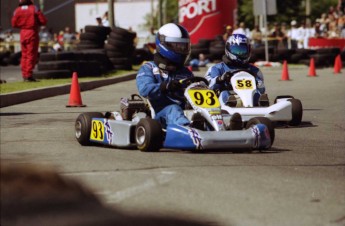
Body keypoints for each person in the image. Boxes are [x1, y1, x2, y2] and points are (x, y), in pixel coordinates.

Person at [136, 23, 193, 128]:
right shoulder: (149, 68)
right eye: (177, 46)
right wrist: (164, 86)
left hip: (184, 110)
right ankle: (188, 131)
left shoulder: (184, 71)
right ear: (163, 45)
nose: (181, 49)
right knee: (173, 109)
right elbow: (144, 89)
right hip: (160, 112)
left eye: (183, 46)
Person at [205, 34, 266, 107]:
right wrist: (220, 79)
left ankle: (261, 107)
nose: (240, 53)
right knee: (224, 93)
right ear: (228, 49)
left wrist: (257, 82)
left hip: (249, 98)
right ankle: (229, 105)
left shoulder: (254, 70)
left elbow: (262, 89)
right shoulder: (217, 68)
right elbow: (208, 86)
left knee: (257, 94)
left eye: (242, 50)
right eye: (237, 50)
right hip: (225, 101)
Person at [12, 0, 47, 82]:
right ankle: (28, 75)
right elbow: (43, 20)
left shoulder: (17, 10)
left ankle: (24, 74)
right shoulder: (34, 8)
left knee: (24, 55)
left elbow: (14, 23)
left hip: (22, 33)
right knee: (31, 54)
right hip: (32, 32)